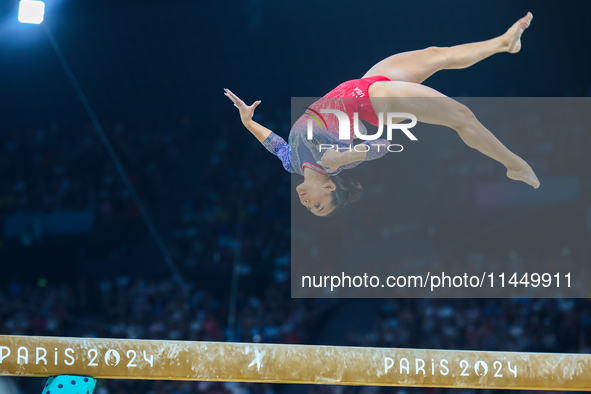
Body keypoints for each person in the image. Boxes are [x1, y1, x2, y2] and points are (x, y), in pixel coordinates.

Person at [225, 12, 540, 217]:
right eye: (318, 205)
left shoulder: (290, 162)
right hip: (372, 102)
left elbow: (276, 143)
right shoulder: (335, 162)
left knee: (437, 55)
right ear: (330, 187)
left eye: (310, 207)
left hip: (363, 83)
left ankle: (504, 43)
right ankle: (517, 166)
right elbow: (382, 147)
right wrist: (353, 151)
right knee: (460, 116)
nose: (308, 205)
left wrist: (249, 122)